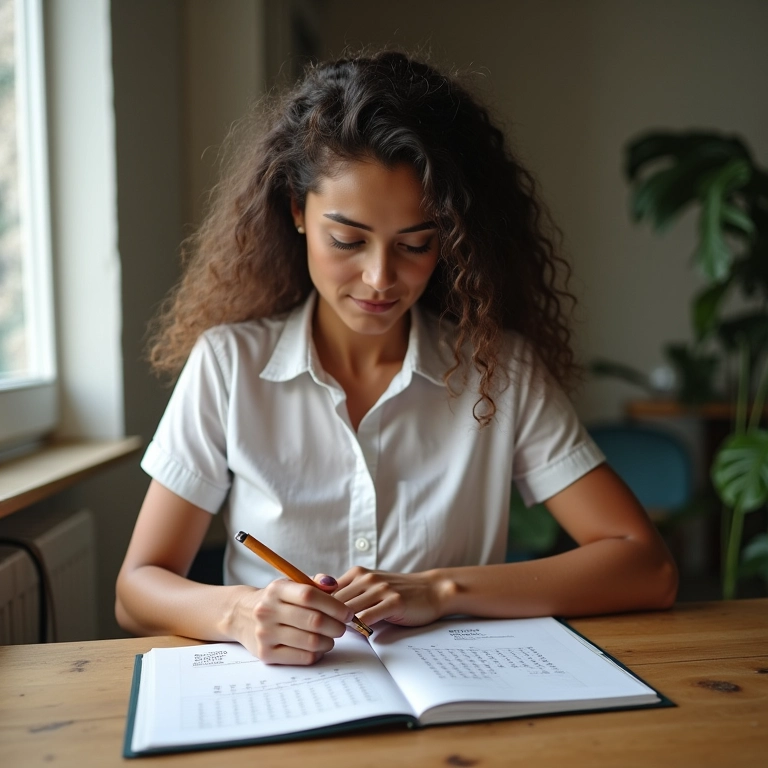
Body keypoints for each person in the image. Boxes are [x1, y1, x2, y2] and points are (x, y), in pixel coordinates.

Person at [115, 50, 677, 665]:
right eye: (348, 240)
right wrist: (240, 613)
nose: (381, 277)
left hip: (457, 706)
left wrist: (440, 589)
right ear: (298, 211)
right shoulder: (229, 366)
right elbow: (136, 589)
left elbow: (645, 566)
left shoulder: (499, 369)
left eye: (416, 244)